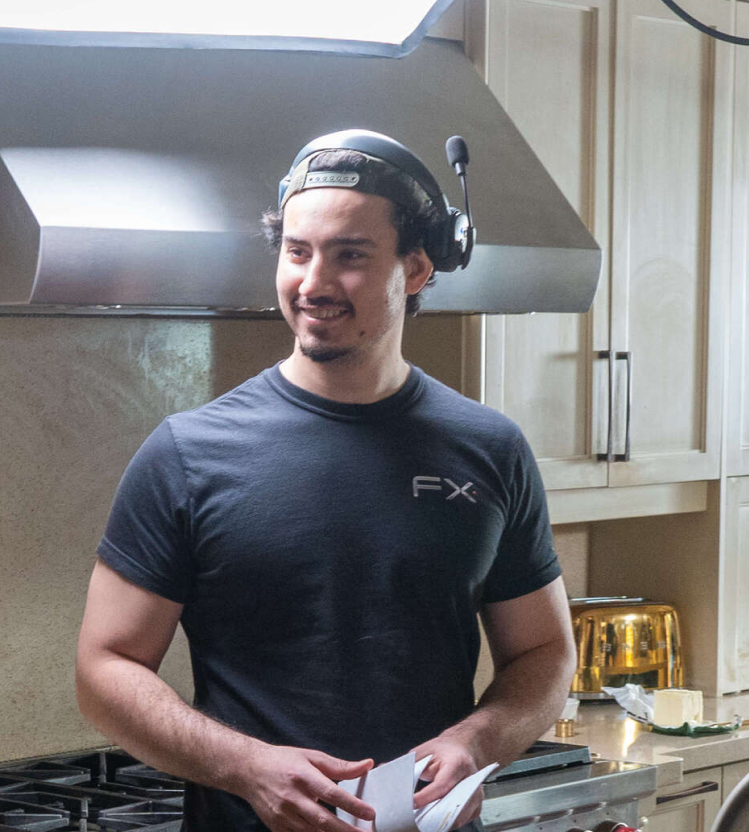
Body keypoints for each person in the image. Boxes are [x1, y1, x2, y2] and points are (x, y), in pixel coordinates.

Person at [75, 131, 577, 832]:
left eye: (349, 256)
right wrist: (246, 767)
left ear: (416, 269)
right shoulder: (188, 454)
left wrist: (478, 740)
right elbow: (104, 669)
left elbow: (546, 652)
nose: (312, 283)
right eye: (297, 252)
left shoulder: (490, 450)